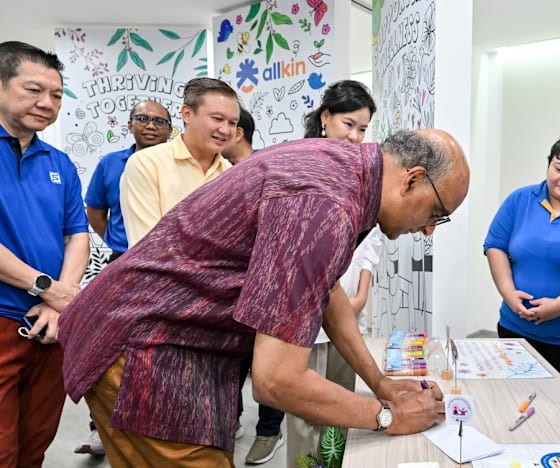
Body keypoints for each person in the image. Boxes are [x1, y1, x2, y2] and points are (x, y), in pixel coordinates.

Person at [59, 129, 469, 466]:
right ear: (412, 179)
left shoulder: (345, 171)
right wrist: (388, 416)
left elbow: (324, 291)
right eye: (437, 213)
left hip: (169, 340)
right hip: (143, 349)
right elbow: (276, 381)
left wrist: (380, 383)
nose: (430, 230)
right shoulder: (326, 204)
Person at [0, 41, 89, 466]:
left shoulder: (60, 162)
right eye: (33, 90)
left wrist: (62, 298)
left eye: (55, 95)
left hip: (50, 326)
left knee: (35, 444)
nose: (47, 103)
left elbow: (78, 235)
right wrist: (49, 289)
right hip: (4, 317)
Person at [285, 78, 378, 466]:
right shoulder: (301, 162)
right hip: (304, 314)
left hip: (346, 312)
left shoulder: (362, 172)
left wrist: (359, 297)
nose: (355, 137)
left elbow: (369, 240)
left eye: (362, 129)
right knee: (307, 414)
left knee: (342, 406)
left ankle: (334, 465)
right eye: (348, 125)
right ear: (326, 117)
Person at [76, 99, 172, 454]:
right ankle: (99, 428)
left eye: (159, 121)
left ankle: (157, 426)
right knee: (114, 347)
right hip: (123, 262)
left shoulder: (180, 165)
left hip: (168, 270)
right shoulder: (109, 164)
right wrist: (117, 242)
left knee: (159, 349)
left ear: (171, 129)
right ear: (129, 124)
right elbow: (95, 210)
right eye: (143, 119)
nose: (150, 126)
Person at [223, 107, 290, 465]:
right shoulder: (214, 173)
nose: (218, 131)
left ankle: (269, 431)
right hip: (225, 296)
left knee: (267, 365)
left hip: (267, 292)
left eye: (226, 123)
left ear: (239, 132)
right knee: (229, 365)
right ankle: (230, 421)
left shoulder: (269, 170)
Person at [483, 133, 560, 373]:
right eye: (559, 168)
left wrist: (557, 306)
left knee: (557, 406)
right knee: (512, 400)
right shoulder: (520, 199)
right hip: (514, 327)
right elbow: (495, 246)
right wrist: (509, 294)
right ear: (548, 165)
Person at [120, 77, 237, 247]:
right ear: (187, 114)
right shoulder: (146, 164)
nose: (225, 130)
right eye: (217, 119)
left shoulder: (233, 175)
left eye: (232, 123)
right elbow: (148, 249)